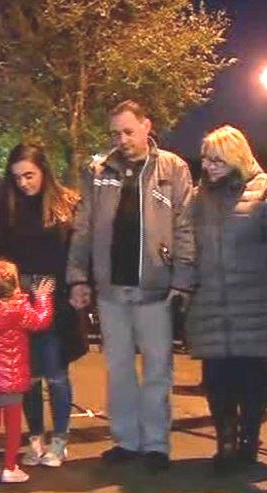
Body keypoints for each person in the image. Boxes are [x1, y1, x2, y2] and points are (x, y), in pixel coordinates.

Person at [67, 100, 195, 472]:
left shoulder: (172, 168)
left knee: (158, 370)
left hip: (155, 288)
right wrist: (78, 276)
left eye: (128, 131)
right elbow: (84, 226)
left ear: (146, 126)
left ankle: (156, 444)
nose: (122, 139)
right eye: (115, 133)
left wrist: (183, 279)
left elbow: (185, 225)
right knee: (118, 368)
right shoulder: (98, 171)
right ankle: (126, 440)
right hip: (111, 290)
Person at [186, 125, 267, 473]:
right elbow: (188, 243)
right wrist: (182, 285)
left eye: (215, 158)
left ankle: (249, 440)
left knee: (252, 374)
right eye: (205, 159)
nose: (207, 165)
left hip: (254, 297)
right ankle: (225, 443)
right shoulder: (199, 197)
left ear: (236, 156)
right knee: (217, 375)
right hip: (212, 297)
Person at [0, 143, 87, 468]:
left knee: (56, 371)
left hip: (57, 298)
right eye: (17, 178)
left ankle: (60, 440)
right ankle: (35, 439)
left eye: (30, 175)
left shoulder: (67, 205)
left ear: (44, 171)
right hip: (18, 300)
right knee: (25, 375)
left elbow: (79, 251)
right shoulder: (6, 209)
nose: (24, 183)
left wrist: (79, 288)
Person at [0, 259, 54, 484]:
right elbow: (40, 321)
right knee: (13, 424)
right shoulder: (18, 307)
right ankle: (10, 467)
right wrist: (43, 297)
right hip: (11, 376)